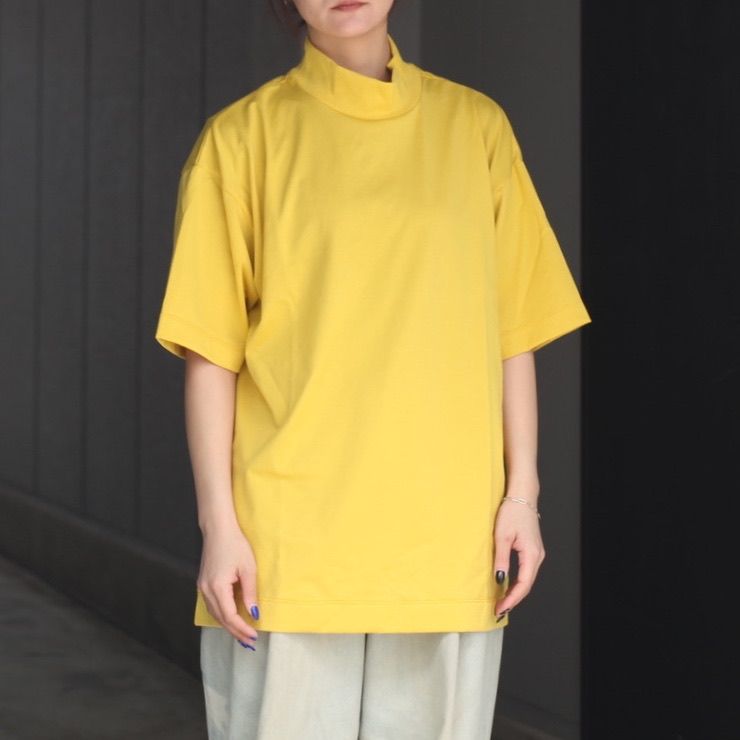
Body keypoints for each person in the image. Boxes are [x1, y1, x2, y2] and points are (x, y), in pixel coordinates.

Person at [154, 0, 592, 737]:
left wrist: (523, 496)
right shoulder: (240, 139)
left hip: (447, 531)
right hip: (287, 539)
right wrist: (218, 525)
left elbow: (513, 331)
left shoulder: (476, 128)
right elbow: (210, 353)